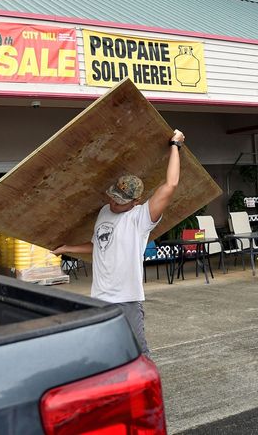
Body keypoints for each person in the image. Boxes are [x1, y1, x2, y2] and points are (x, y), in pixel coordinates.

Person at [52, 129, 186, 356]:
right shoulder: (105, 211)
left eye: (121, 201)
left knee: (138, 354)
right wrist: (67, 248)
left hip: (127, 300)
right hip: (99, 298)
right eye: (113, 197)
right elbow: (99, 245)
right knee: (104, 353)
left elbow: (170, 185)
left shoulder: (141, 218)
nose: (114, 204)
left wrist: (175, 145)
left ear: (136, 201)